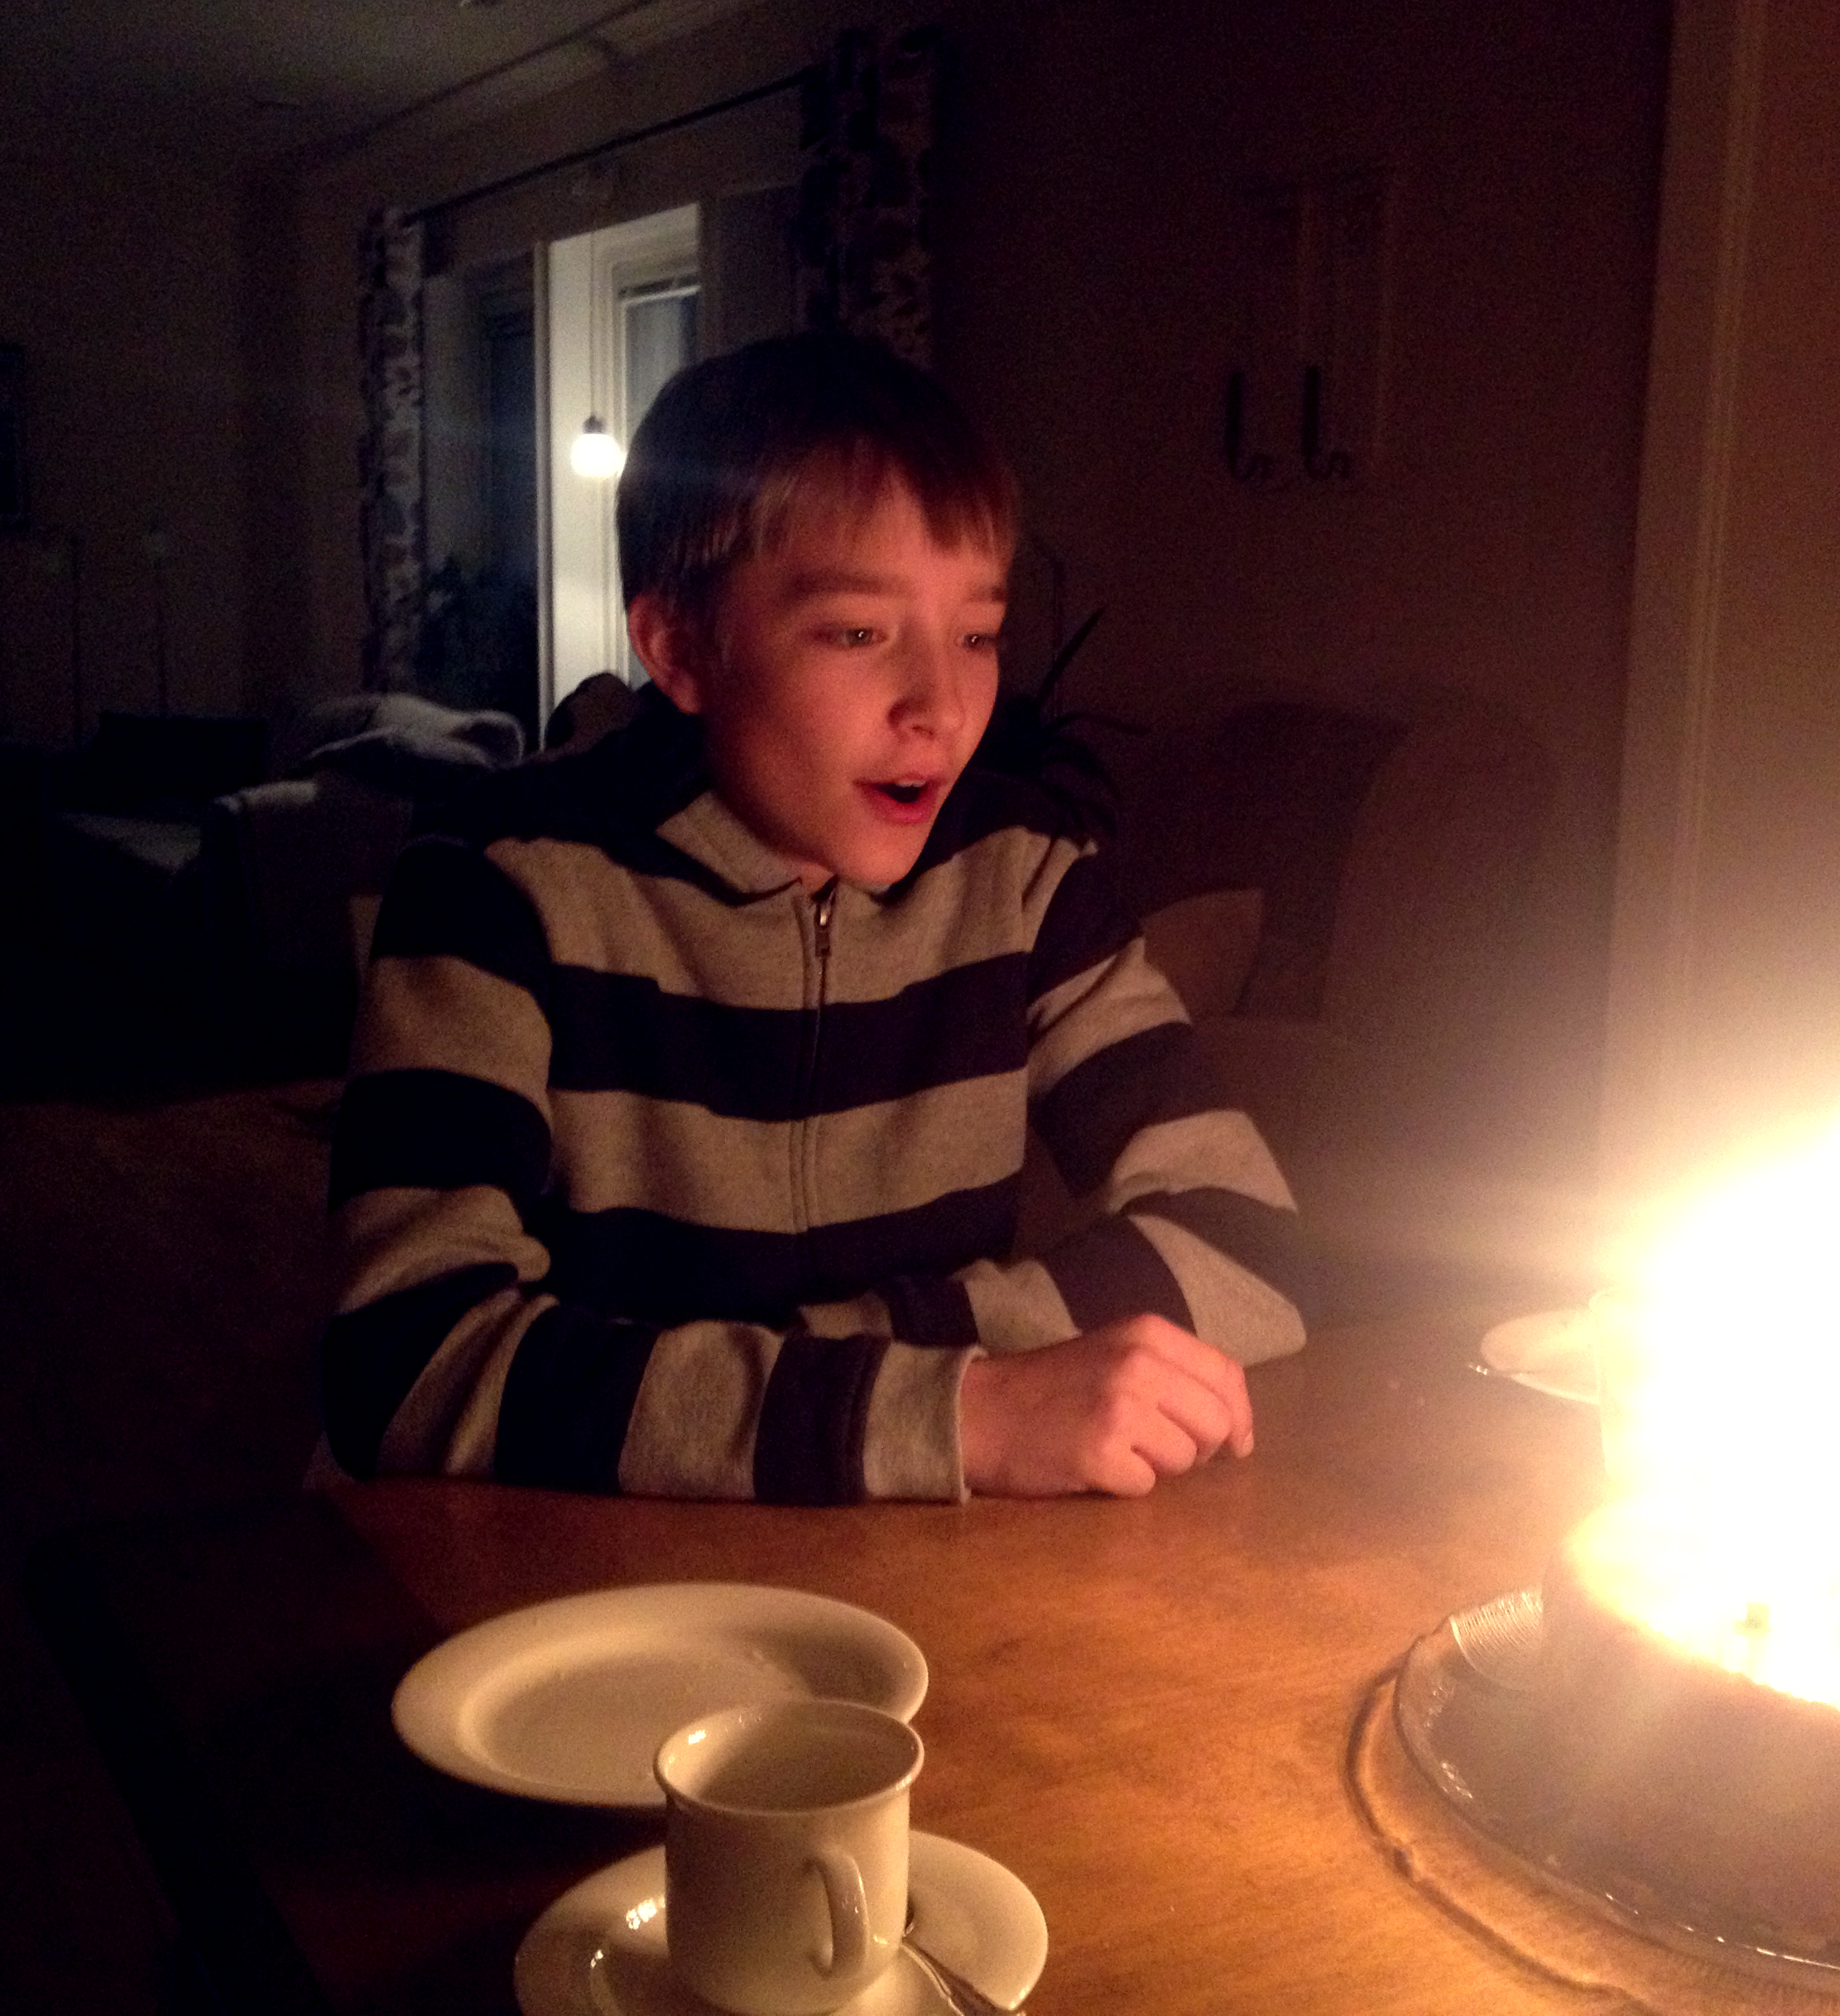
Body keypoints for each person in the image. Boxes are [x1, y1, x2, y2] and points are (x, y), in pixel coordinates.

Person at [321, 332, 1308, 1503]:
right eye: (858, 633)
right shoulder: (495, 886)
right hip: (609, 1573)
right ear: (680, 648)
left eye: (977, 635)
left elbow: (1248, 1240)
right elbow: (405, 1358)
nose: (941, 706)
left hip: (928, 1558)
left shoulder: (1021, 874)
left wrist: (838, 1392)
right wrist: (954, 1409)